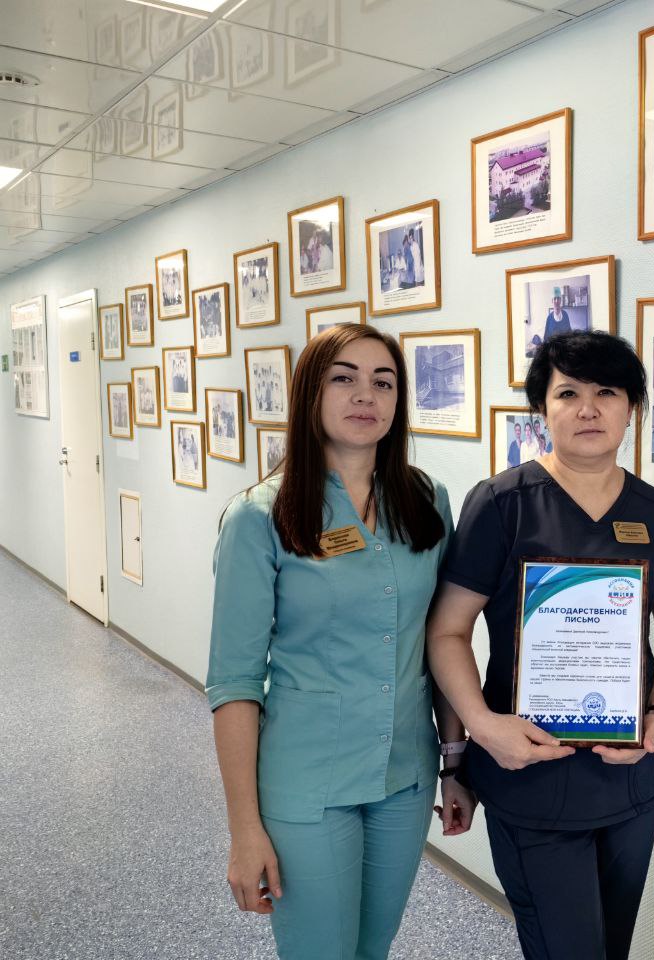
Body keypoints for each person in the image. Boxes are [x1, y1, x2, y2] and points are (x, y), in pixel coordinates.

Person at [427, 331, 654, 960]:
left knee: (611, 946)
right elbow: (446, 631)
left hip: (629, 776)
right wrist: (479, 731)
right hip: (529, 776)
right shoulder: (502, 504)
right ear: (542, 409)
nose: (588, 409)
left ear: (632, 408)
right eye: (568, 393)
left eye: (607, 392)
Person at [206, 325, 469, 959]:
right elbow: (235, 682)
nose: (365, 395)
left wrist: (456, 762)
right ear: (310, 393)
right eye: (343, 378)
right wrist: (244, 828)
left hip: (406, 778)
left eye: (384, 382)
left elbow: (442, 640)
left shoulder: (426, 500)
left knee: (373, 949)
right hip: (308, 782)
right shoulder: (260, 516)